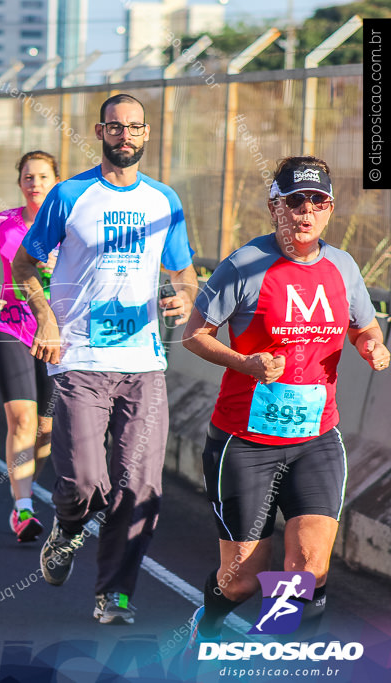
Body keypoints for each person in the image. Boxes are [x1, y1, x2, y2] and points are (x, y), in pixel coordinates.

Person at [181, 156, 389, 646]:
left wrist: (370, 345)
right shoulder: (244, 265)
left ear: (330, 209)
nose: (305, 212)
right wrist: (246, 363)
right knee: (242, 579)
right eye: (294, 201)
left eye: (317, 201)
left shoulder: (342, 266)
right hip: (245, 442)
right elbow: (194, 336)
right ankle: (204, 626)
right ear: (275, 207)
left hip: (316, 439)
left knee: (308, 570)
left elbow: (364, 323)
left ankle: (267, 657)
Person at [13, 93, 199, 625]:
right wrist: (46, 319)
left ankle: (113, 592)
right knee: (81, 483)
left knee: (139, 484)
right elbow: (25, 264)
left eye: (134, 128)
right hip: (78, 359)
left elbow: (184, 273)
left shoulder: (165, 200)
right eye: (115, 127)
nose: (125, 136)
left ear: (146, 134)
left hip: (143, 363)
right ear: (100, 132)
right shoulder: (70, 195)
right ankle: (67, 527)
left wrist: (185, 296)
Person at [0, 151, 60, 543]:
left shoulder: (69, 223)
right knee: (23, 420)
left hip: (55, 333)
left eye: (43, 177)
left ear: (55, 181)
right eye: (28, 176)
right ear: (20, 181)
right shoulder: (4, 223)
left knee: (45, 428)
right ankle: (23, 508)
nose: (35, 183)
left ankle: (25, 486)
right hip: (9, 326)